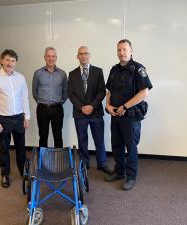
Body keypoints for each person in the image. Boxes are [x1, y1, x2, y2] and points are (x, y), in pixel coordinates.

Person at [105, 39, 153, 190]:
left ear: (131, 51)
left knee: (131, 147)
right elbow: (109, 91)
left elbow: (144, 92)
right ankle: (119, 172)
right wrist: (107, 105)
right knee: (116, 145)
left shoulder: (138, 69)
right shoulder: (114, 69)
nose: (122, 52)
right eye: (119, 50)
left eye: (125, 49)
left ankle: (131, 177)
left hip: (131, 116)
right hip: (116, 115)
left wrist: (125, 107)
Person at [0, 49, 30, 188]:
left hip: (18, 118)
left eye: (13, 61)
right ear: (1, 61)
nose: (10, 63)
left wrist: (26, 116)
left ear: (15, 63)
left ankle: (24, 171)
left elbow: (25, 98)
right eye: (7, 60)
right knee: (4, 148)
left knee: (21, 147)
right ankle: (5, 174)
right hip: (3, 119)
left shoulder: (20, 77)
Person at [68, 46, 112, 174]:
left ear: (89, 55)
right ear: (77, 57)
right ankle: (84, 163)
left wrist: (92, 106)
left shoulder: (98, 71)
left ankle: (102, 163)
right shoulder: (72, 74)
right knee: (82, 140)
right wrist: (82, 107)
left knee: (99, 139)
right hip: (79, 113)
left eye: (86, 53)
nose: (83, 56)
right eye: (80, 54)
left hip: (96, 112)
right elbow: (71, 94)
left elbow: (101, 91)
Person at [32, 47, 68, 148]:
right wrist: (41, 102)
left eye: (53, 56)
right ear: (44, 57)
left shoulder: (62, 74)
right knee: (43, 136)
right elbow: (34, 92)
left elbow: (66, 92)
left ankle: (58, 159)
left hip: (57, 108)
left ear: (56, 57)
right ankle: (42, 159)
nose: (50, 58)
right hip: (42, 109)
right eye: (48, 56)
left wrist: (59, 103)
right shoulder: (38, 73)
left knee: (58, 135)